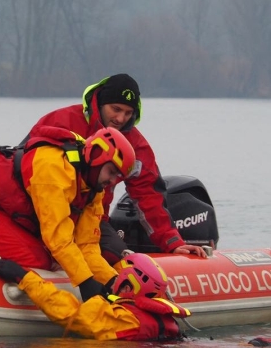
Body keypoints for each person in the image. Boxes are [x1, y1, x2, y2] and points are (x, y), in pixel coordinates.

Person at [27, 74, 207, 261]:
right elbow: (22, 167)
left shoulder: (135, 146)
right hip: (43, 215)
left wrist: (173, 243)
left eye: (128, 113)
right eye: (116, 109)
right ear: (101, 103)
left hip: (93, 222)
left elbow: (148, 194)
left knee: (118, 259)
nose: (120, 118)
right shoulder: (61, 122)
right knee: (37, 258)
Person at [0, 125, 137, 300]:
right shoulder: (54, 170)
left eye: (117, 176)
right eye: (111, 172)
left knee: (57, 258)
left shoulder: (93, 189)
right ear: (96, 158)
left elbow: (87, 246)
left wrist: (112, 281)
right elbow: (57, 238)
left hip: (8, 208)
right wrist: (85, 281)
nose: (112, 181)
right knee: (39, 259)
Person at [0, 253, 190, 341]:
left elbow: (70, 314)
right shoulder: (164, 320)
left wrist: (26, 278)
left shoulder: (123, 318)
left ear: (128, 284)